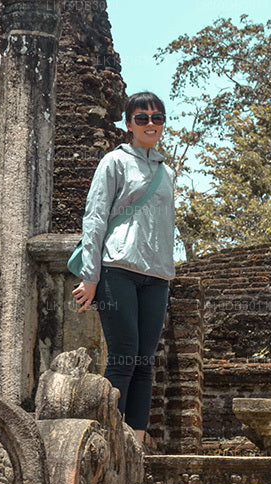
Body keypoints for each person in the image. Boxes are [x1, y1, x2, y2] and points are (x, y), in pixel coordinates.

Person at [71, 91, 176, 442]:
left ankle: (137, 437)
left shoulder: (166, 172)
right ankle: (112, 436)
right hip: (118, 267)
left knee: (145, 361)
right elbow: (95, 217)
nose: (150, 124)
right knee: (124, 355)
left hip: (157, 275)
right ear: (129, 124)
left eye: (157, 118)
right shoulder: (114, 162)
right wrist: (90, 276)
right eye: (142, 118)